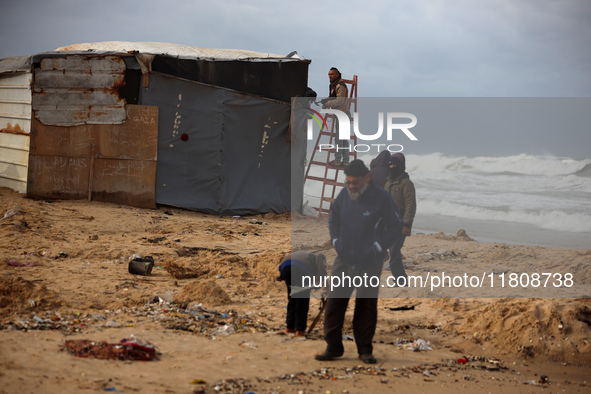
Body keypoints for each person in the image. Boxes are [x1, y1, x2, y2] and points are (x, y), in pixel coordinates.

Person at [315, 159, 402, 364]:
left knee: (365, 306)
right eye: (349, 182)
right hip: (343, 259)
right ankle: (333, 347)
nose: (352, 186)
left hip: (370, 262)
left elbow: (395, 226)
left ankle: (364, 350)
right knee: (334, 303)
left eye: (355, 182)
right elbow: (333, 217)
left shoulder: (382, 198)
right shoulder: (344, 195)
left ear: (367, 178)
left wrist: (378, 247)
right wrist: (335, 240)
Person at [278, 250, 327, 336]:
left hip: (284, 267)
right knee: (302, 300)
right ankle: (300, 330)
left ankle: (290, 327)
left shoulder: (308, 257)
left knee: (293, 298)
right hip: (298, 268)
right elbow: (321, 278)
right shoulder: (320, 258)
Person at [384, 153, 417, 282]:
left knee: (394, 252)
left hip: (400, 225)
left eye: (395, 165)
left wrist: (407, 224)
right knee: (393, 253)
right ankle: (401, 280)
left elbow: (411, 205)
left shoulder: (406, 184)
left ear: (401, 166)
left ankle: (400, 280)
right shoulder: (387, 183)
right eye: (390, 165)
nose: (392, 167)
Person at [321, 67, 350, 168]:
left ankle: (338, 161)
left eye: (332, 74)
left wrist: (328, 103)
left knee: (340, 139)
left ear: (338, 74)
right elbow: (333, 97)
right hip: (341, 114)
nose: (330, 76)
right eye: (329, 74)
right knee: (343, 139)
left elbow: (339, 101)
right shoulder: (333, 85)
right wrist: (325, 100)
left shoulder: (340, 86)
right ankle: (345, 161)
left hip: (343, 114)